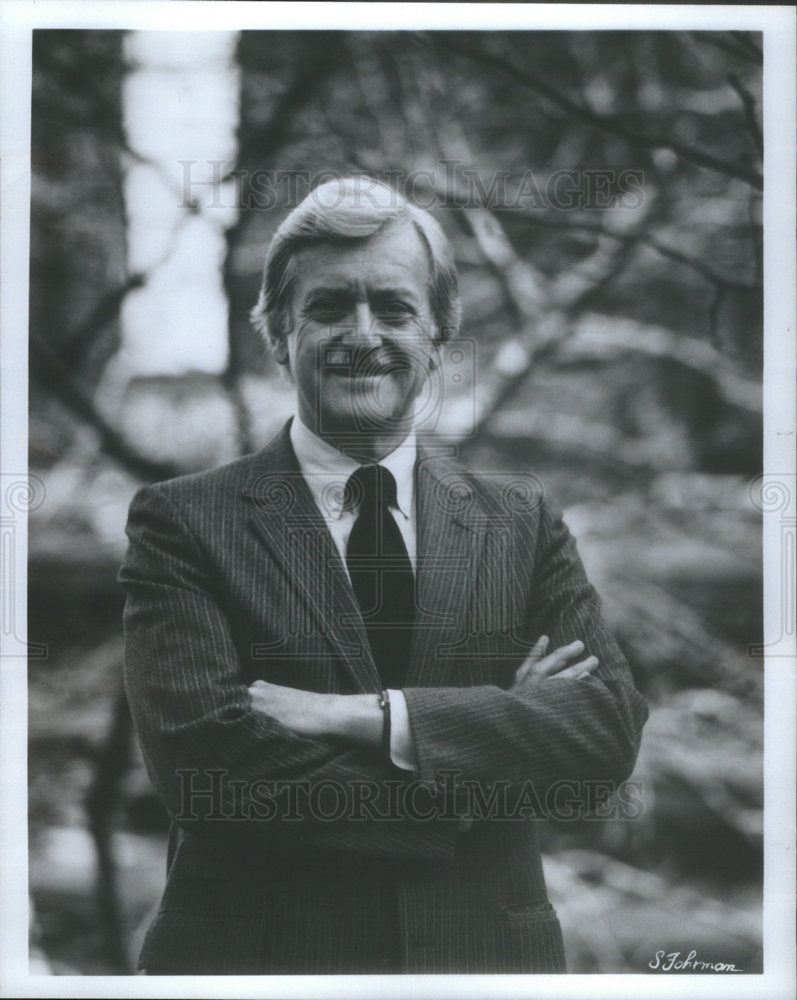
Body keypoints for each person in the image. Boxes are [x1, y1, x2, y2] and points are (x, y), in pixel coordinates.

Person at [120, 176, 647, 974]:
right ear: (276, 333)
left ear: (438, 336)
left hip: (484, 964)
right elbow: (206, 769)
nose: (362, 335)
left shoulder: (518, 520)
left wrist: (367, 718)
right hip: (260, 968)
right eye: (329, 307)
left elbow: (601, 734)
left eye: (394, 309)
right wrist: (485, 753)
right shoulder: (185, 522)